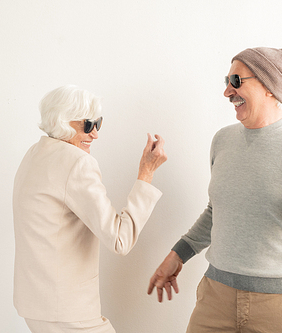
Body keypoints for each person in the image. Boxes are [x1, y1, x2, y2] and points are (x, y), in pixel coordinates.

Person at [148, 46, 282, 333]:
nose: (227, 92)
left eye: (236, 81)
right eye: (226, 81)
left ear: (268, 86)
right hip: (215, 297)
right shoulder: (222, 141)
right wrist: (177, 255)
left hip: (279, 308)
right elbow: (217, 212)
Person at [13, 84, 167, 333]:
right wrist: (146, 174)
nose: (95, 134)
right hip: (66, 311)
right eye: (87, 125)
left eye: (98, 123)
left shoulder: (34, 153)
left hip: (34, 306)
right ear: (62, 121)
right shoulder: (77, 163)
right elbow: (120, 239)